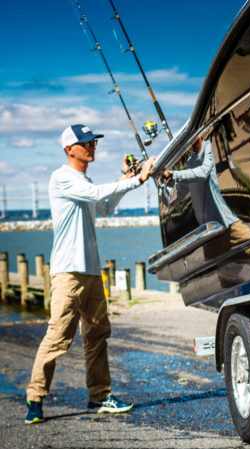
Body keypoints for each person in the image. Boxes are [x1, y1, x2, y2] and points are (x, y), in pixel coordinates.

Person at [25, 124, 155, 424]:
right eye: (86, 143)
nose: (91, 147)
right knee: (58, 337)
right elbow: (96, 193)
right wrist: (137, 180)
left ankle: (99, 396)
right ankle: (35, 397)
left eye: (93, 142)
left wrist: (126, 177)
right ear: (70, 149)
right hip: (67, 273)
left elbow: (105, 206)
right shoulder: (61, 178)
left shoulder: (84, 179)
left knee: (97, 334)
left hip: (92, 272)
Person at [160, 136, 250, 271]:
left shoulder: (208, 149)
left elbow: (203, 172)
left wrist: (173, 174)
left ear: (199, 135)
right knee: (226, 273)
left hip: (226, 224)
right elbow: (174, 198)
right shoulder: (190, 162)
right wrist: (159, 183)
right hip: (210, 231)